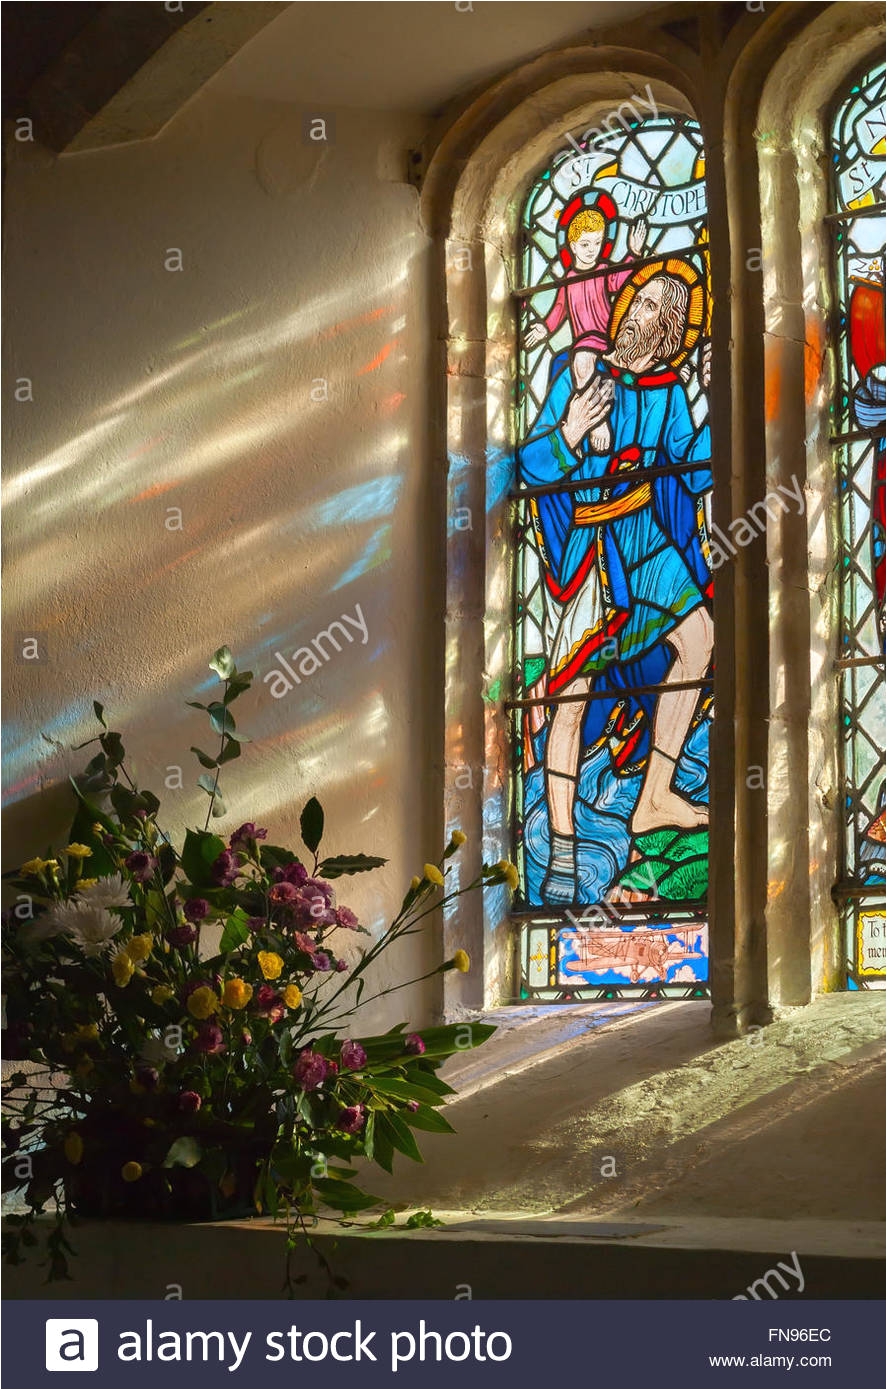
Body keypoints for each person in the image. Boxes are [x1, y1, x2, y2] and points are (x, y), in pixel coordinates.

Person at [520, 268, 712, 904]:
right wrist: (572, 429)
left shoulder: (669, 392)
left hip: (645, 539)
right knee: (570, 695)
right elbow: (531, 464)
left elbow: (696, 462)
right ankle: (566, 849)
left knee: (700, 638)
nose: (638, 315)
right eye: (637, 302)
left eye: (656, 310)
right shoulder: (580, 374)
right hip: (593, 547)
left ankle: (654, 797)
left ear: (669, 335)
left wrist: (714, 396)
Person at [524, 209, 647, 453]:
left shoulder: (603, 270)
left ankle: (597, 421)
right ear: (572, 245)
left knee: (581, 358)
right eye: (585, 243)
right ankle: (567, 426)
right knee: (560, 363)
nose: (592, 249)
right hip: (584, 341)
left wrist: (634, 253)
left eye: (598, 242)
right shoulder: (568, 279)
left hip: (606, 340)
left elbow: (621, 279)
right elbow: (558, 311)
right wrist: (543, 328)